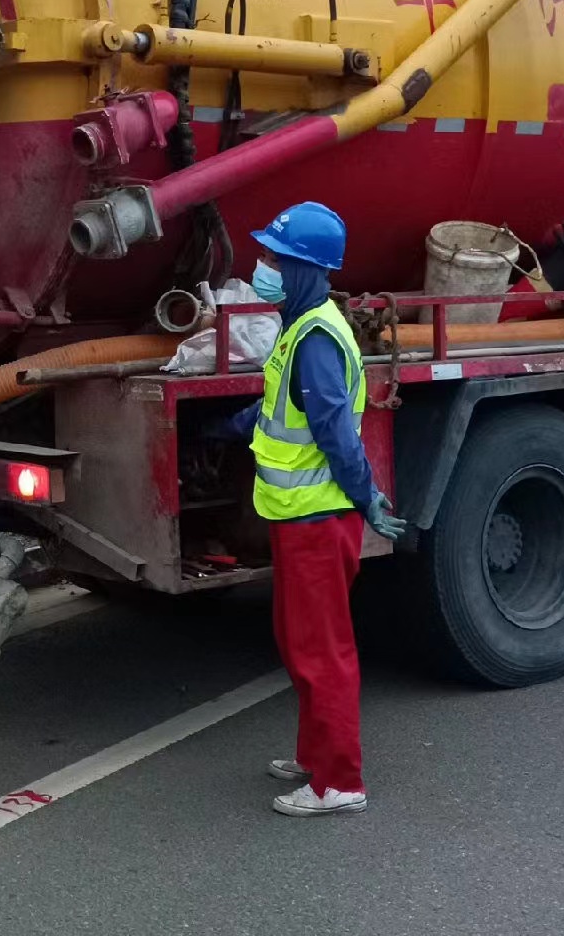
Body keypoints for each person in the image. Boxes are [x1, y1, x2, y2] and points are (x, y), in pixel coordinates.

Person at [213, 201, 405, 817]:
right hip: (299, 518)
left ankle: (338, 782)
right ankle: (313, 755)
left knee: (322, 650)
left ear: (303, 268)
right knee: (299, 642)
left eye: (274, 258)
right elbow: (280, 411)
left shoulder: (317, 337)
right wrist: (227, 428)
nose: (262, 266)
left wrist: (367, 498)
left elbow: (335, 434)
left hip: (319, 519)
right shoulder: (301, 328)